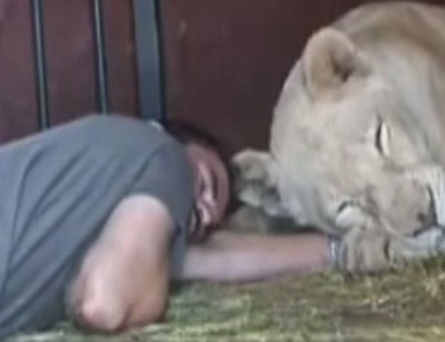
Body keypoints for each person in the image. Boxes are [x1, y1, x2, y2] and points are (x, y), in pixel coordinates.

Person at [0, 113, 336, 339]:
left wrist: (338, 250)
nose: (202, 212)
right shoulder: (165, 156)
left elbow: (215, 257)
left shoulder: (97, 184)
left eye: (208, 223)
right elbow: (104, 305)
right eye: (208, 185)